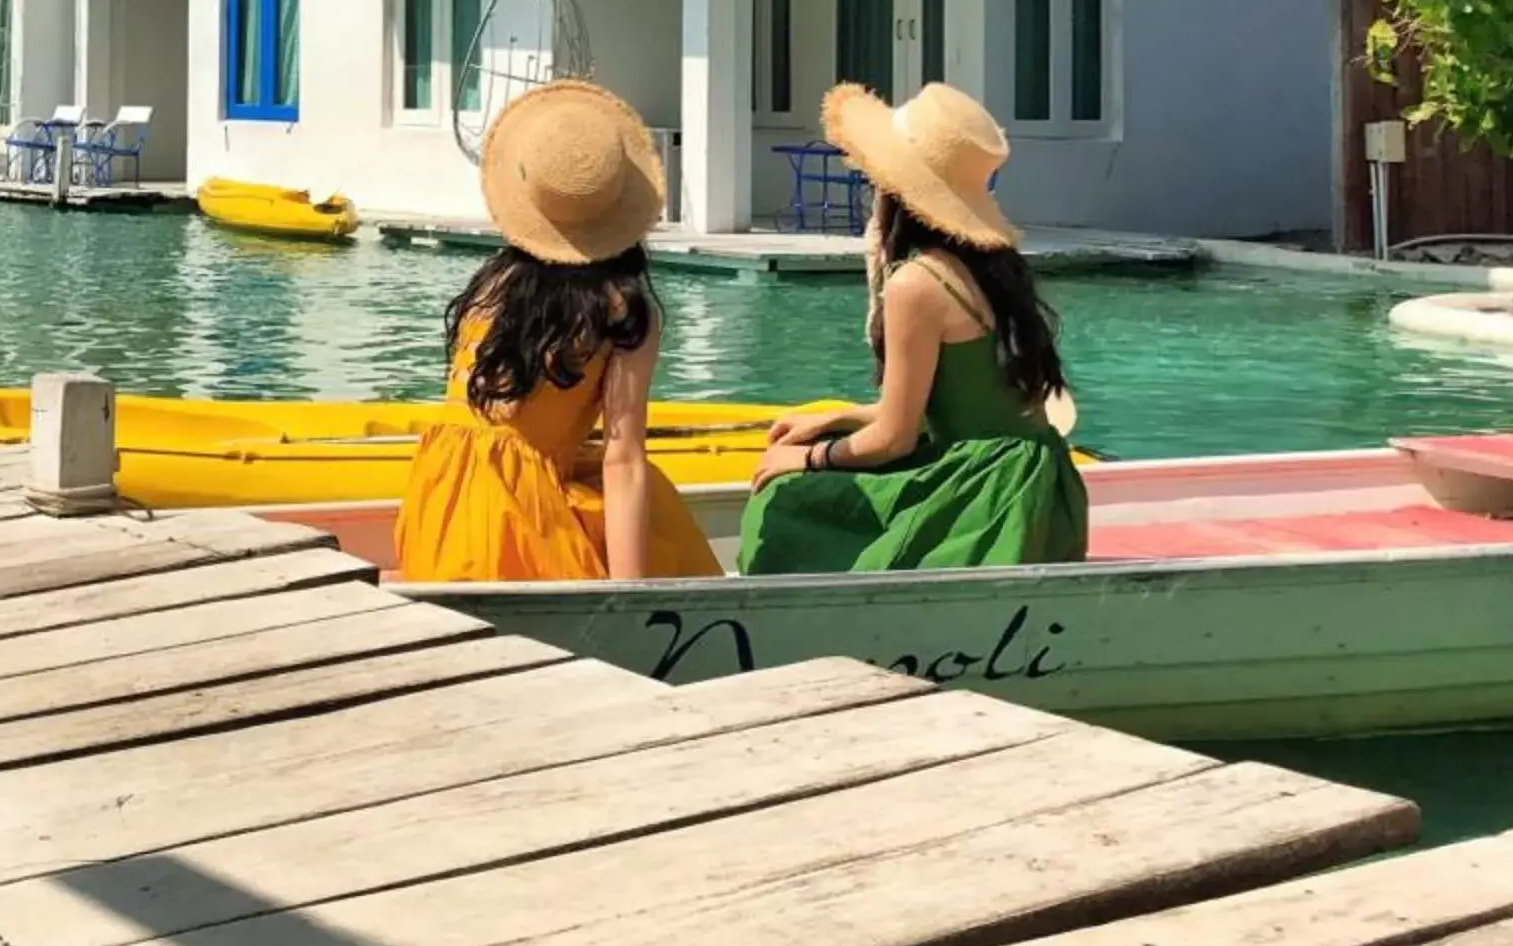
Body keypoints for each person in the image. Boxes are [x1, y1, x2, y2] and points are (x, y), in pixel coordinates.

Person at [741, 81, 1086, 573]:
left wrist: (807, 460)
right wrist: (834, 419)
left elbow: (894, 440)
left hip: (986, 498)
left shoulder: (916, 285)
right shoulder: (991, 265)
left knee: (785, 504)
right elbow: (954, 404)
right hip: (1042, 487)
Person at [397, 81, 721, 583]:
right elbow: (624, 459)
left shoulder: (493, 281)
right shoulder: (621, 308)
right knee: (651, 500)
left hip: (437, 508)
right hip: (506, 521)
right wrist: (632, 594)